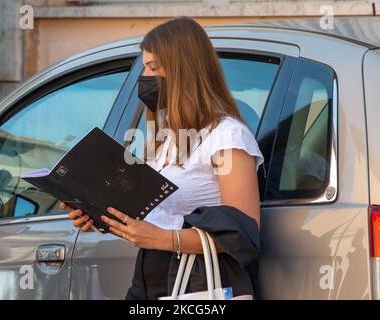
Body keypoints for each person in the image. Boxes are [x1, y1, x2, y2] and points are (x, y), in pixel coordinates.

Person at [63, 16, 264, 300]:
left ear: (183, 69)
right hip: (148, 276)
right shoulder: (165, 138)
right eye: (144, 68)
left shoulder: (228, 136)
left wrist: (163, 239)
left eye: (152, 68)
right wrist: (97, 215)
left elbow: (243, 233)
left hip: (197, 279)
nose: (145, 78)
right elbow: (155, 216)